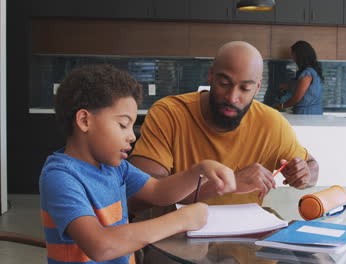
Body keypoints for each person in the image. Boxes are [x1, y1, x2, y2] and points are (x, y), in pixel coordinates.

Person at [39, 64, 236, 264]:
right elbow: (100, 246)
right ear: (84, 120)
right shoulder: (61, 176)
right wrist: (180, 221)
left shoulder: (115, 167)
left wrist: (199, 170)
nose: (132, 136)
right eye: (123, 125)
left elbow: (158, 191)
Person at [130, 41, 319, 208]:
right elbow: (141, 190)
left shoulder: (272, 123)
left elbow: (312, 166)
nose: (232, 97)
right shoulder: (170, 113)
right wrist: (230, 184)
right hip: (174, 236)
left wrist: (304, 175)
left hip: (244, 241)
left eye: (245, 88)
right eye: (224, 83)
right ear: (211, 75)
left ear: (257, 88)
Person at [274, 40, 324, 115]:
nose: (292, 58)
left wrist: (281, 106)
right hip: (313, 113)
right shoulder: (313, 71)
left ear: (300, 55)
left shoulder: (307, 73)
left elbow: (296, 98)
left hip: (306, 114)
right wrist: (289, 86)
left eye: (293, 55)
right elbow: (307, 90)